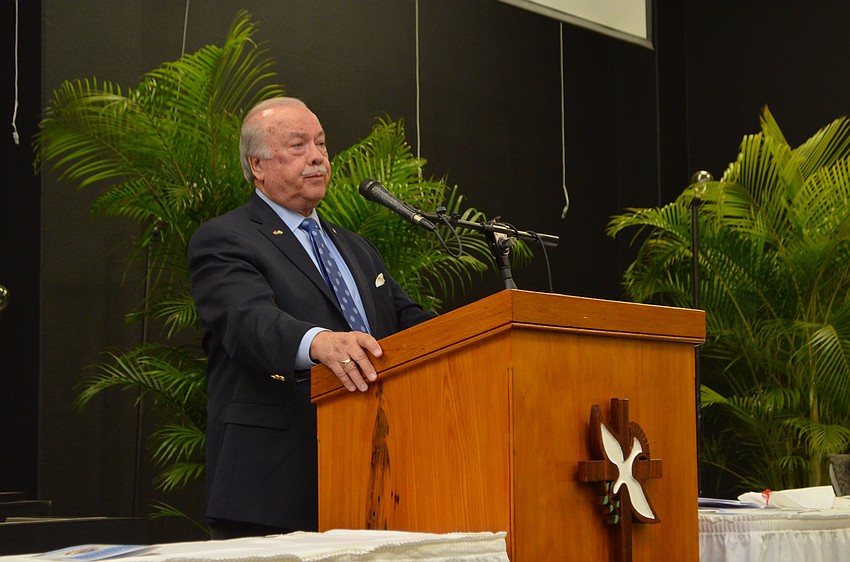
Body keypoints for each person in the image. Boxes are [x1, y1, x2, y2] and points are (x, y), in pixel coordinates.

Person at [188, 97, 435, 539]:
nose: (319, 156)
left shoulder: (356, 247)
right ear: (258, 166)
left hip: (372, 476)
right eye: (298, 145)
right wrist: (321, 342)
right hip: (273, 483)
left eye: (321, 144)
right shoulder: (226, 238)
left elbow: (410, 322)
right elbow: (248, 321)